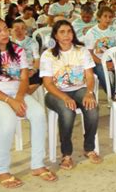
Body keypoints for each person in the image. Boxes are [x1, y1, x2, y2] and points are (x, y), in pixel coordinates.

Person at [0, 17, 56, 188]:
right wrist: (10, 101)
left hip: (16, 94)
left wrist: (19, 97)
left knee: (38, 113)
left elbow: (24, 78)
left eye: (5, 28)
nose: (5, 33)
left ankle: (37, 164)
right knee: (8, 118)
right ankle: (2, 170)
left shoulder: (17, 50)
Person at [40, 20, 102, 170]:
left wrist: (89, 92)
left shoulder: (81, 51)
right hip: (55, 93)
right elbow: (47, 83)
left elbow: (89, 75)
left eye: (69, 31)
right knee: (67, 112)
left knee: (92, 108)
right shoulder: (48, 55)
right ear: (55, 35)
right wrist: (65, 97)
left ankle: (89, 148)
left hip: (80, 89)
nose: (66, 35)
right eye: (62, 32)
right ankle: (66, 154)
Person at [84, 6, 116, 94]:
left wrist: (114, 61)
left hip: (112, 58)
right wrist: (104, 63)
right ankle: (112, 95)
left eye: (110, 17)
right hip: (97, 60)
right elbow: (89, 54)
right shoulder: (91, 33)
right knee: (101, 70)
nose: (108, 19)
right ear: (99, 18)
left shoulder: (114, 31)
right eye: (105, 16)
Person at [11, 19, 42, 94]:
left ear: (26, 30)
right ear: (11, 30)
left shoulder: (32, 42)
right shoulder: (7, 42)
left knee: (39, 77)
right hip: (13, 71)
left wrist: (33, 70)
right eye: (16, 28)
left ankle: (23, 95)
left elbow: (37, 59)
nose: (20, 31)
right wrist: (13, 40)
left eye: (22, 28)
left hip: (29, 68)